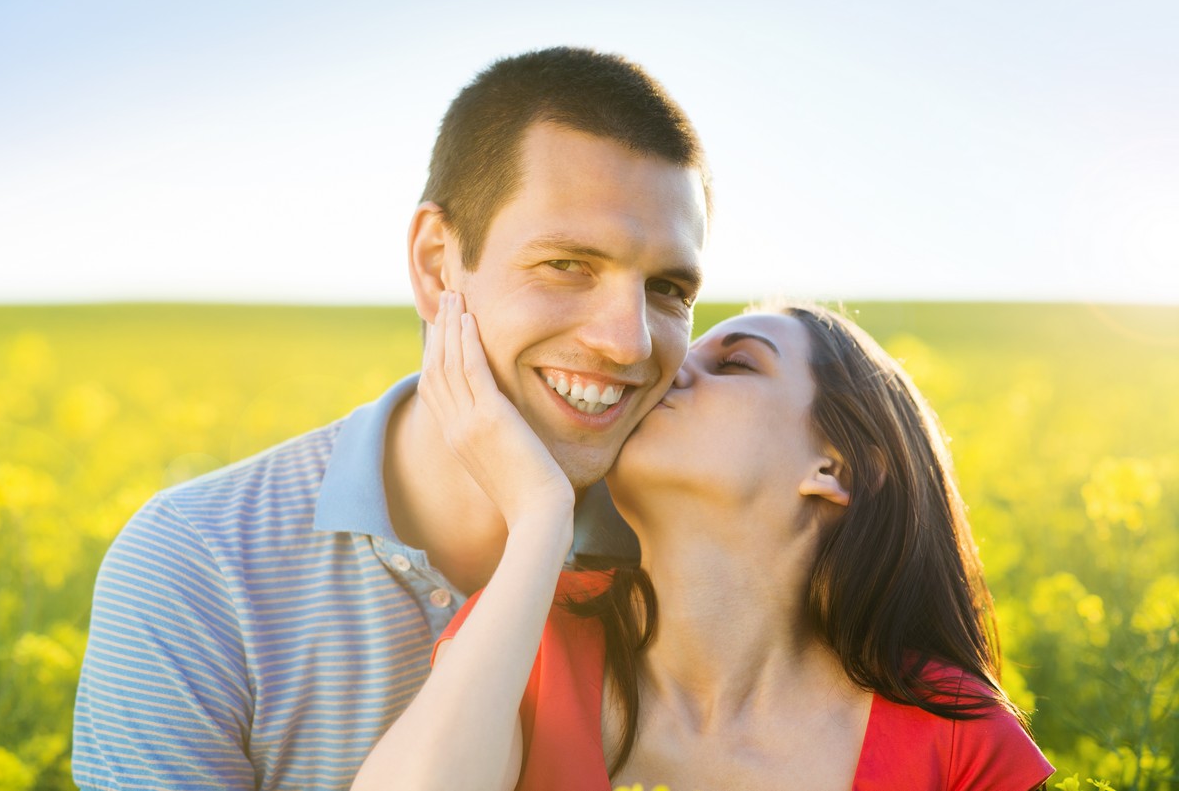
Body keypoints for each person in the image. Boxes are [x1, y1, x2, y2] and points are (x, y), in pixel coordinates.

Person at [71, 47, 711, 790]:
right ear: (438, 265)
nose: (627, 340)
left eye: (668, 287)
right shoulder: (199, 565)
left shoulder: (690, 562)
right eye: (568, 264)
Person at [354, 294, 1054, 790]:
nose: (667, 369)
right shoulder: (528, 637)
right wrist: (540, 514)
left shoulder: (960, 740)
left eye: (737, 363)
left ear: (835, 467)